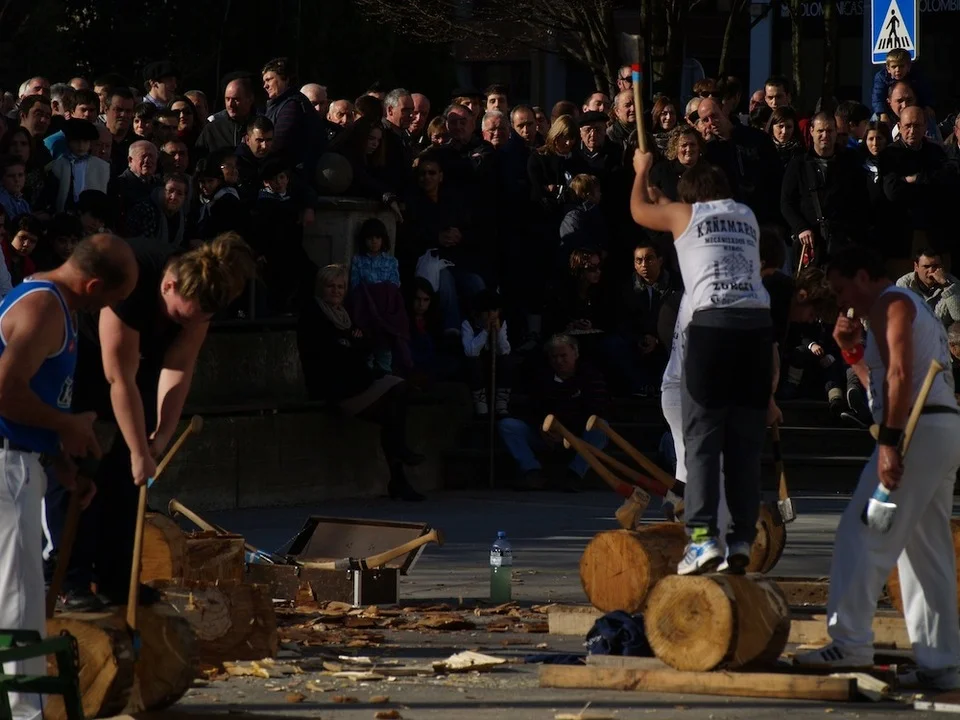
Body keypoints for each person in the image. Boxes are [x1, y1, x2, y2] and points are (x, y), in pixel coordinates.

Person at [48, 233, 257, 610]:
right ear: (168, 285)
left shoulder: (202, 298)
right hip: (89, 363)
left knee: (128, 482)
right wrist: (137, 451)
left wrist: (159, 436)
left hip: (141, 367)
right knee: (79, 470)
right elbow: (118, 378)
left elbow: (180, 367)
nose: (184, 323)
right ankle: (68, 579)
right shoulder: (135, 279)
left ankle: (117, 580)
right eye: (179, 316)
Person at [794, 247, 960, 693]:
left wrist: (889, 446)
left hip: (915, 434)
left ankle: (849, 640)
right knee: (924, 552)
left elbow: (900, 376)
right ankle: (942, 661)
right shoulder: (892, 310)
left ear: (864, 276)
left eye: (842, 288)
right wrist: (851, 354)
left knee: (861, 531)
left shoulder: (892, 303)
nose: (840, 299)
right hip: (936, 430)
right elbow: (882, 389)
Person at [0, 233, 137, 720]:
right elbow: (4, 391)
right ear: (94, 285)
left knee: (21, 598)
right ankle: (24, 714)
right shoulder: (44, 307)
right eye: (114, 299)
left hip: (24, 461)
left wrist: (60, 458)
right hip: (6, 467)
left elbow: (33, 395)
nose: (113, 310)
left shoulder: (56, 304)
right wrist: (66, 424)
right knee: (17, 602)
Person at [630, 149, 781, 576]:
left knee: (702, 441)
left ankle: (701, 540)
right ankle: (741, 539)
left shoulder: (685, 215)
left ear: (690, 199)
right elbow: (689, 223)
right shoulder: (747, 216)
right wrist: (667, 202)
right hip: (757, 328)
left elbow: (639, 212)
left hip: (713, 328)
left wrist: (641, 172)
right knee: (744, 445)